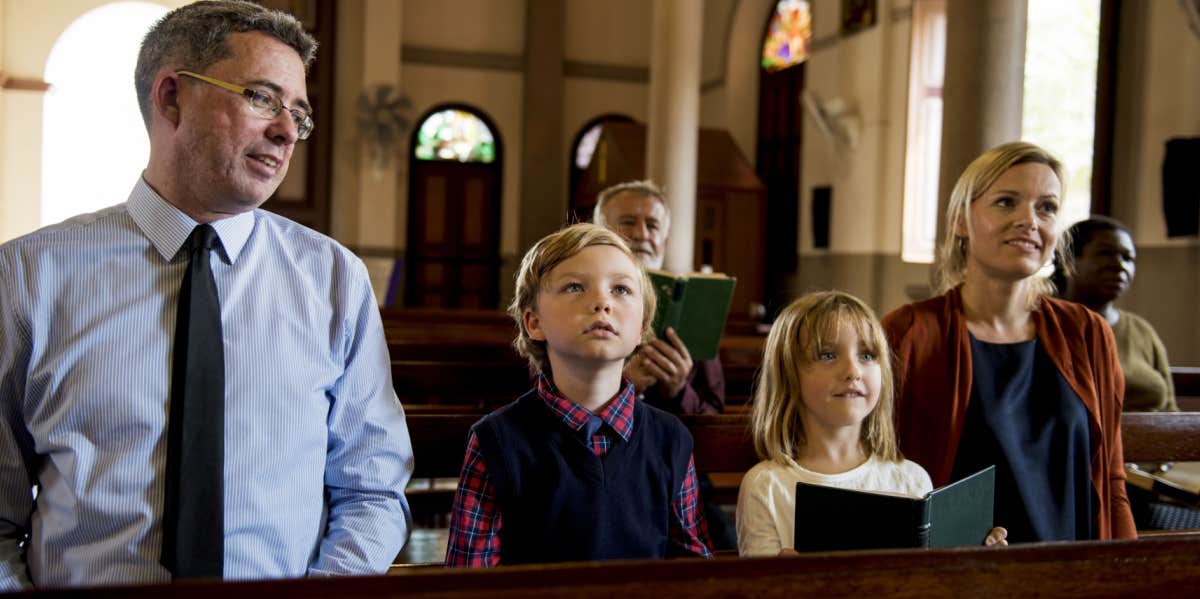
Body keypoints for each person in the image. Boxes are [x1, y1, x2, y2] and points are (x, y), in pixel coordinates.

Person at [0, 1, 412, 589]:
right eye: (262, 98)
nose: (287, 131)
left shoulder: (333, 280)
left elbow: (372, 489)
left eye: (299, 112)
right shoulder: (27, 278)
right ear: (171, 98)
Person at [882, 141, 1137, 542]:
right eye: (1006, 202)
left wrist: (1127, 576)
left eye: (1047, 207)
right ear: (960, 221)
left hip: (1073, 571)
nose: (1029, 221)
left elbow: (1111, 479)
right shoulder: (910, 333)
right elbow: (880, 478)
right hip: (957, 575)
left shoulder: (1087, 334)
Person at [444, 223, 711, 566]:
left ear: (643, 327)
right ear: (533, 321)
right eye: (574, 286)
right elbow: (470, 582)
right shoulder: (497, 441)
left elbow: (695, 574)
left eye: (621, 289)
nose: (601, 301)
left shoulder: (671, 440)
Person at [736, 291, 1005, 556]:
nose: (853, 371)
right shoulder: (766, 486)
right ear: (788, 374)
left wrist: (974, 560)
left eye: (867, 356)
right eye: (828, 355)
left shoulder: (911, 481)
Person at [593, 180, 725, 416]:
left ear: (664, 241)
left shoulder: (692, 308)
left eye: (652, 225)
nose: (642, 234)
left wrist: (679, 391)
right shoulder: (573, 300)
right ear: (598, 233)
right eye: (628, 222)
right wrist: (617, 385)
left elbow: (714, 414)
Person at [1054, 216, 1177, 412]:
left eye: (1128, 258)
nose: (1119, 265)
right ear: (1069, 260)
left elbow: (1170, 410)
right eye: (1105, 253)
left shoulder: (1141, 330)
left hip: (1154, 439)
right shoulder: (1043, 323)